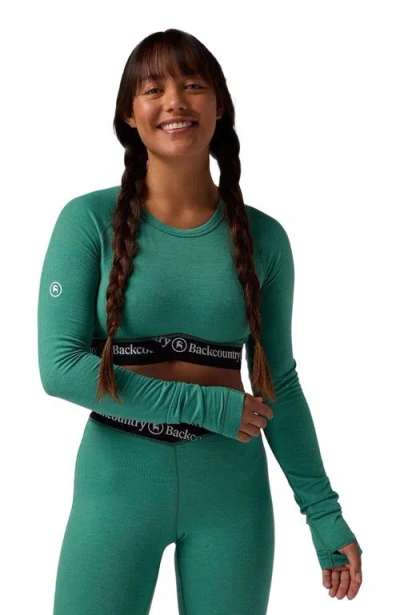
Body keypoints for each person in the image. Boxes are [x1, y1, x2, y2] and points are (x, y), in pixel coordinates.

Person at [37, 28, 363, 615]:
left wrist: (323, 513)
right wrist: (207, 406)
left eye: (193, 85)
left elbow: (279, 383)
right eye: (153, 89)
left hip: (232, 494)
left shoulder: (265, 239)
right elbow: (60, 367)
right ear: (128, 114)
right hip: (116, 487)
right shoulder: (86, 222)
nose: (174, 102)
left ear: (220, 106)